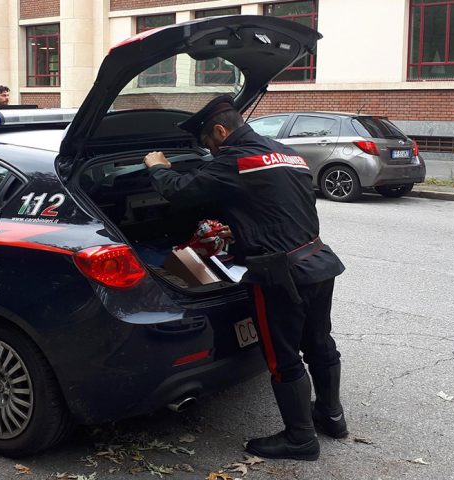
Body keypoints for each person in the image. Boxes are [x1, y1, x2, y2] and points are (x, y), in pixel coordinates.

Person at [143, 95, 347, 462]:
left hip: (279, 274)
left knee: (283, 356)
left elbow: (179, 192)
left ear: (220, 131)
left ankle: (300, 439)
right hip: (318, 261)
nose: (209, 150)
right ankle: (332, 417)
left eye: (207, 142)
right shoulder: (285, 152)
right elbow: (276, 205)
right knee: (319, 341)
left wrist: (157, 166)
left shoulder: (233, 161)